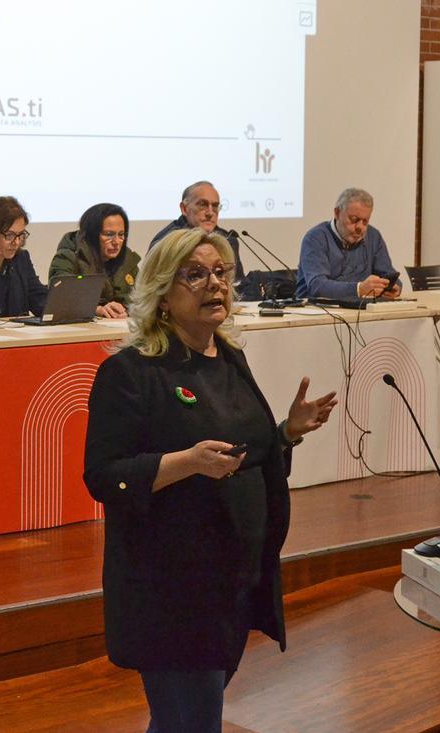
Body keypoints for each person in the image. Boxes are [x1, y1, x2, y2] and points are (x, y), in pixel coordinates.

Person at [84, 228, 338, 732]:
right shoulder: (131, 373)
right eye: (195, 274)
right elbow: (103, 476)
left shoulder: (228, 357)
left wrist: (286, 432)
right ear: (161, 291)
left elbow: (245, 453)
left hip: (229, 582)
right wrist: (185, 463)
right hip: (170, 592)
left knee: (181, 723)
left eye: (221, 273)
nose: (214, 284)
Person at [295, 187, 401, 300]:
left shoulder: (373, 236)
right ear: (337, 213)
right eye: (354, 219)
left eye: (365, 221)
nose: (360, 227)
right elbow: (317, 286)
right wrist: (358, 289)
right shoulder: (315, 238)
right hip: (316, 310)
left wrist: (394, 287)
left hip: (359, 309)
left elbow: (388, 273)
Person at [49, 203, 141, 319]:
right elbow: (60, 298)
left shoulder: (128, 261)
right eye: (109, 235)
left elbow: (142, 297)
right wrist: (96, 309)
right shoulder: (68, 257)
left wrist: (125, 308)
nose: (116, 241)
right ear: (91, 235)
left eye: (121, 235)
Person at [149, 180, 241, 264]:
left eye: (215, 206)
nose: (210, 213)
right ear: (184, 209)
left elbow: (238, 281)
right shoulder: (165, 242)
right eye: (202, 205)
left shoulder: (227, 239)